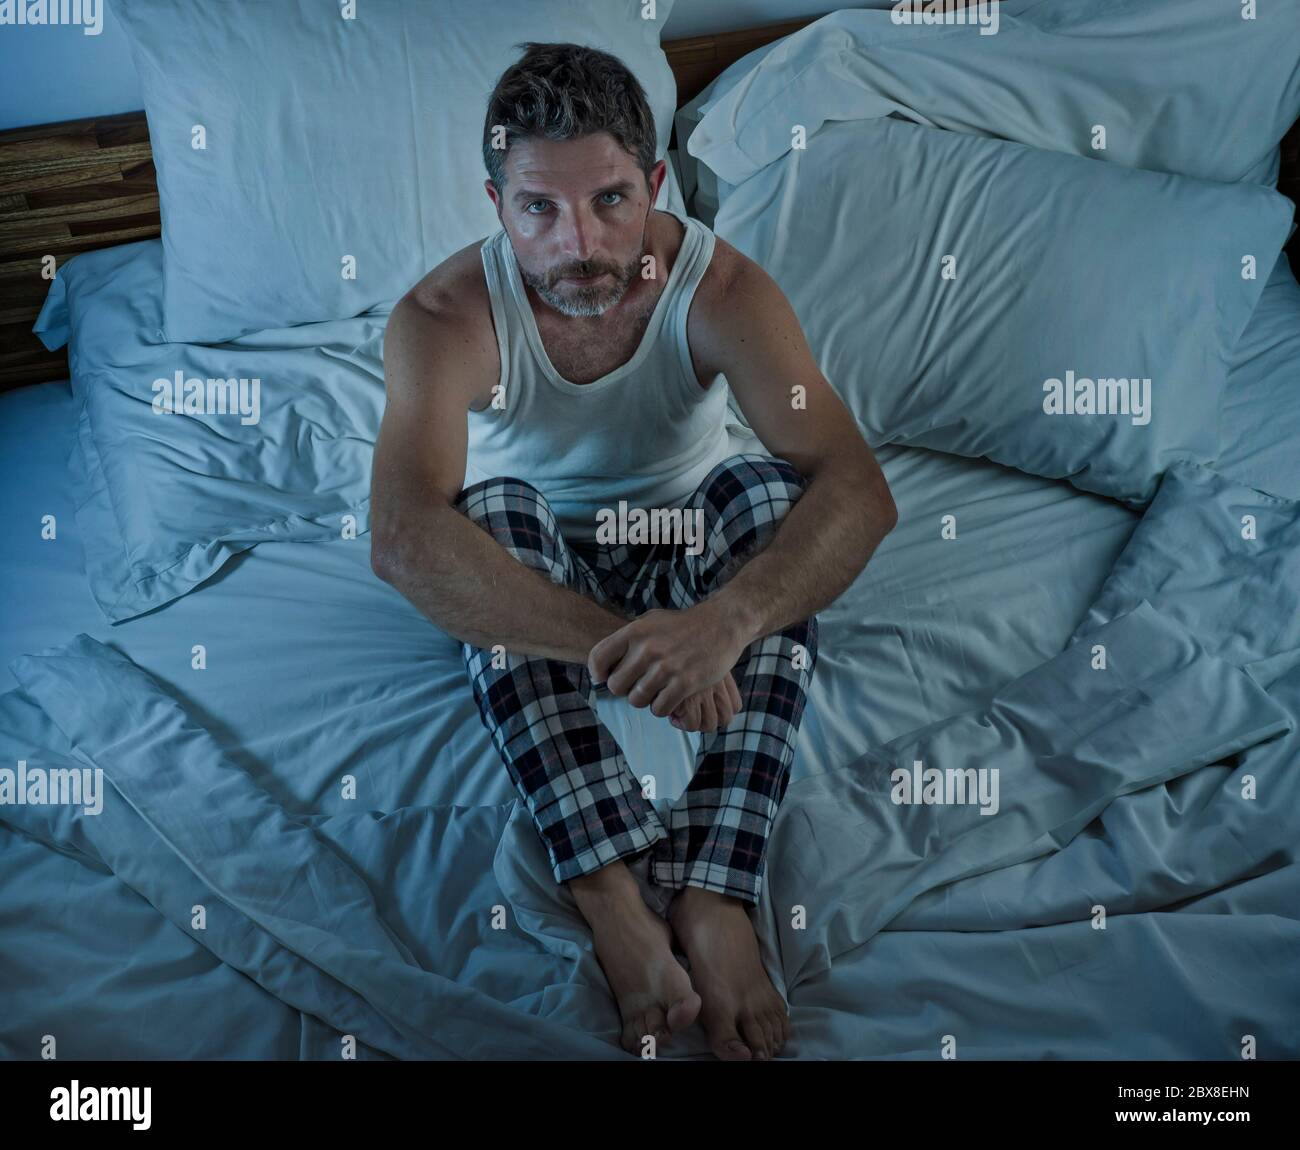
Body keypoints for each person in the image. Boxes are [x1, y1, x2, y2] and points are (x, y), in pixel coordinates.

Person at [371, 41, 897, 1061]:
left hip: (682, 540)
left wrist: (723, 624)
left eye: (611, 199)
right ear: (495, 201)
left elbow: (855, 487)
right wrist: (641, 650)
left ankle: (712, 889)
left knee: (765, 493)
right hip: (537, 567)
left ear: (655, 183)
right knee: (488, 514)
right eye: (538, 209)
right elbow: (401, 538)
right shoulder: (443, 318)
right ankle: (610, 890)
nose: (578, 243)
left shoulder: (723, 290)